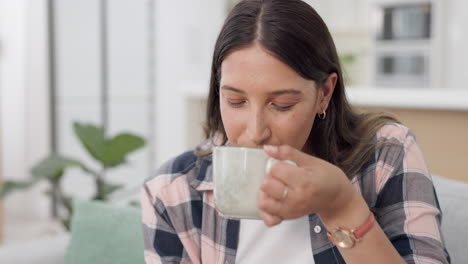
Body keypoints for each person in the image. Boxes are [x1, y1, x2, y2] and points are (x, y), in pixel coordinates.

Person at [141, 0, 450, 263]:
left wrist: (342, 206)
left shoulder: (387, 154)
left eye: (282, 104)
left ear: (324, 93)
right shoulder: (171, 192)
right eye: (235, 101)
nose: (255, 131)